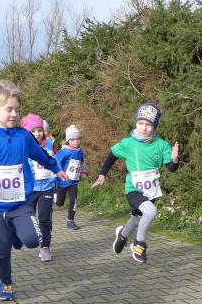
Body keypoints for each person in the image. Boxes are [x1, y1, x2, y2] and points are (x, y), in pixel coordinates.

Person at [0, 80, 68, 301]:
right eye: (9, 109)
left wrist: (56, 168)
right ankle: (6, 283)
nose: (14, 114)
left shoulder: (24, 136)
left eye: (17, 110)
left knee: (32, 240)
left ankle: (15, 233)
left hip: (21, 203)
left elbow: (42, 155)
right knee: (2, 250)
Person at [92, 102, 181, 263]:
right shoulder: (128, 143)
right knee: (151, 212)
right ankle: (139, 245)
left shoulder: (161, 145)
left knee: (138, 217)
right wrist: (102, 174)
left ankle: (122, 235)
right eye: (140, 123)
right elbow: (112, 155)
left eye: (148, 125)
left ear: (154, 126)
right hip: (133, 189)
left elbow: (171, 168)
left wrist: (175, 160)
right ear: (136, 123)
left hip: (151, 190)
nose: (143, 128)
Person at [21, 114, 57, 262]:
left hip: (47, 187)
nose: (37, 134)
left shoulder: (50, 145)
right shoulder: (24, 147)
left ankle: (45, 247)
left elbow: (55, 162)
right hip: (30, 189)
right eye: (33, 131)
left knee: (44, 217)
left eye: (39, 130)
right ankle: (28, 236)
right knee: (29, 218)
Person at [54, 124, 86, 230]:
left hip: (73, 182)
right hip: (63, 181)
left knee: (74, 200)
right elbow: (56, 161)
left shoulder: (80, 152)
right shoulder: (64, 152)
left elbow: (82, 162)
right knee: (59, 203)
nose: (75, 141)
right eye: (72, 139)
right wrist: (59, 172)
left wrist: (83, 172)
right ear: (68, 141)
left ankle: (70, 221)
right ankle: (55, 195)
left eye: (77, 139)